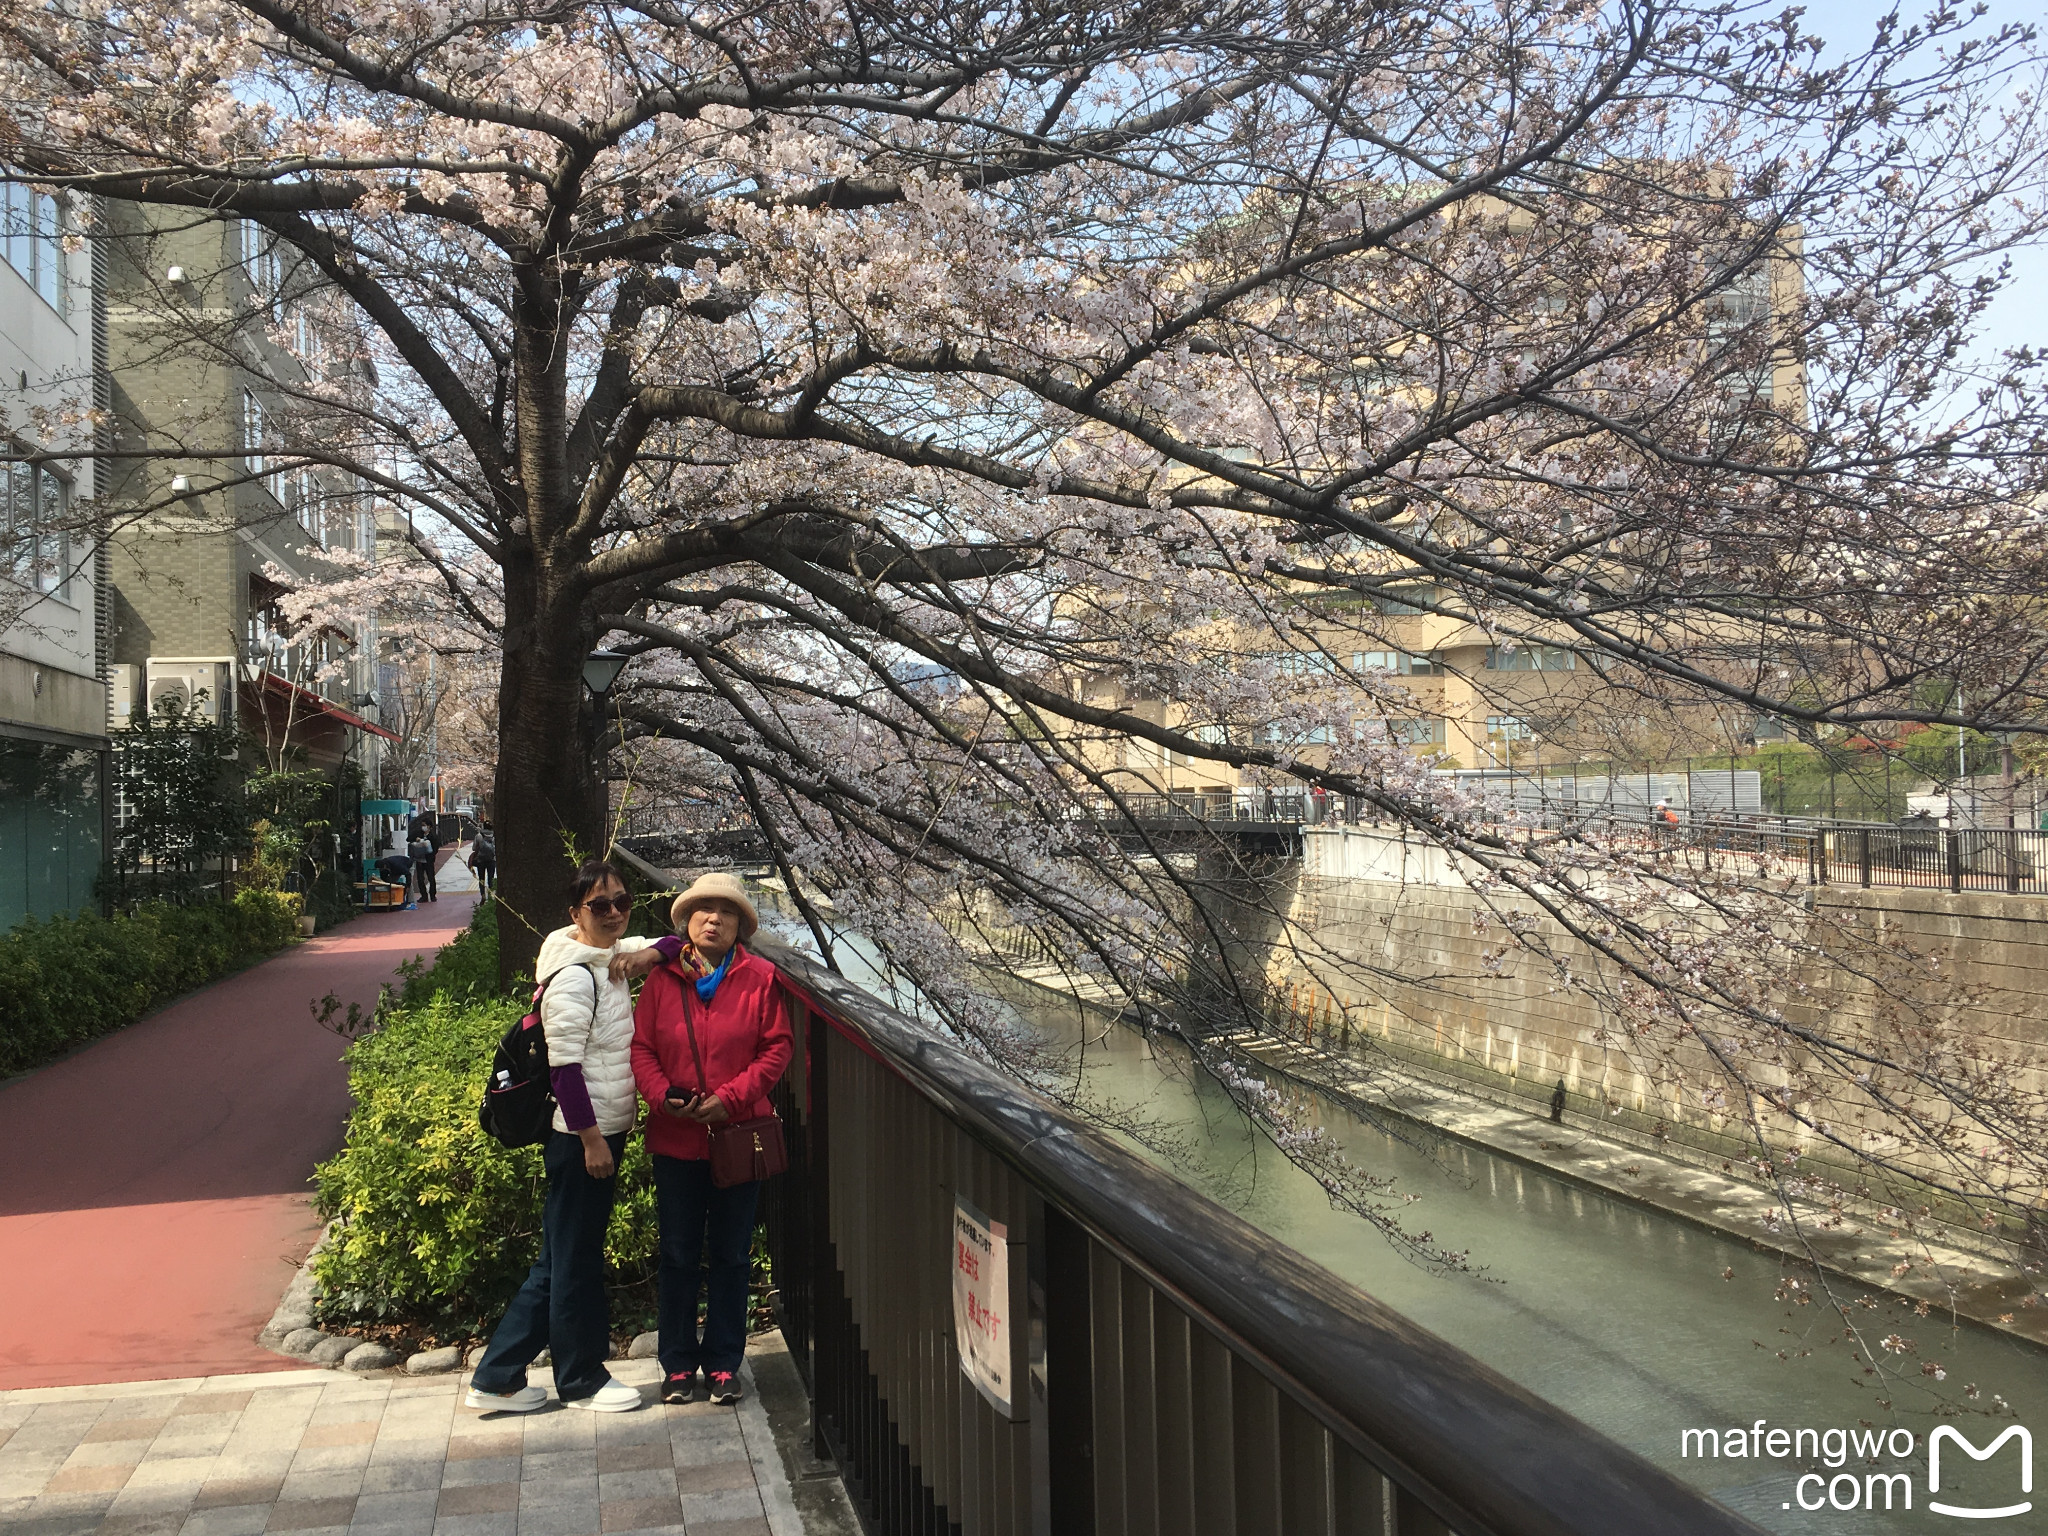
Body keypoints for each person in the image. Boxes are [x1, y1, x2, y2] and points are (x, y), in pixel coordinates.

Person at [466, 860, 676, 1414]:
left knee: (559, 1260)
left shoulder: (608, 955)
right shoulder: (575, 977)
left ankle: (497, 1376)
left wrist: (651, 953)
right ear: (574, 914)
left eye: (621, 903)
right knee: (575, 1262)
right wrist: (591, 1141)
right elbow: (564, 1071)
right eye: (598, 906)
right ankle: (580, 1380)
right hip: (581, 1136)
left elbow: (677, 939)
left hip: (599, 1128)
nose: (612, 913)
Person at [625, 872, 792, 1407]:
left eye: (726, 911)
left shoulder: (760, 978)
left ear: (741, 924)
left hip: (738, 1135)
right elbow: (642, 1048)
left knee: (731, 1253)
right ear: (686, 922)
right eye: (703, 910)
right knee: (676, 1253)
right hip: (676, 1138)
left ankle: (723, 1362)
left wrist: (732, 1098)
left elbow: (776, 1049)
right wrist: (661, 1096)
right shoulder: (662, 980)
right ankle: (676, 1363)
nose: (714, 919)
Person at [468, 821, 497, 898]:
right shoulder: (495, 836)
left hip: (480, 860)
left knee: (481, 878)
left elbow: (474, 848)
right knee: (491, 878)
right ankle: (491, 895)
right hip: (492, 860)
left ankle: (483, 895)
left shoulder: (479, 835)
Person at [408, 830, 437, 903]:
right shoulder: (419, 833)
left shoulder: (432, 836)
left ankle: (432, 895)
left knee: (431, 878)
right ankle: (424, 896)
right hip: (419, 861)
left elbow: (435, 847)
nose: (423, 827)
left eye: (424, 825)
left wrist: (431, 856)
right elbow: (408, 838)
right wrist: (416, 839)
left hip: (428, 861)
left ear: (429, 826)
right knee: (420, 879)